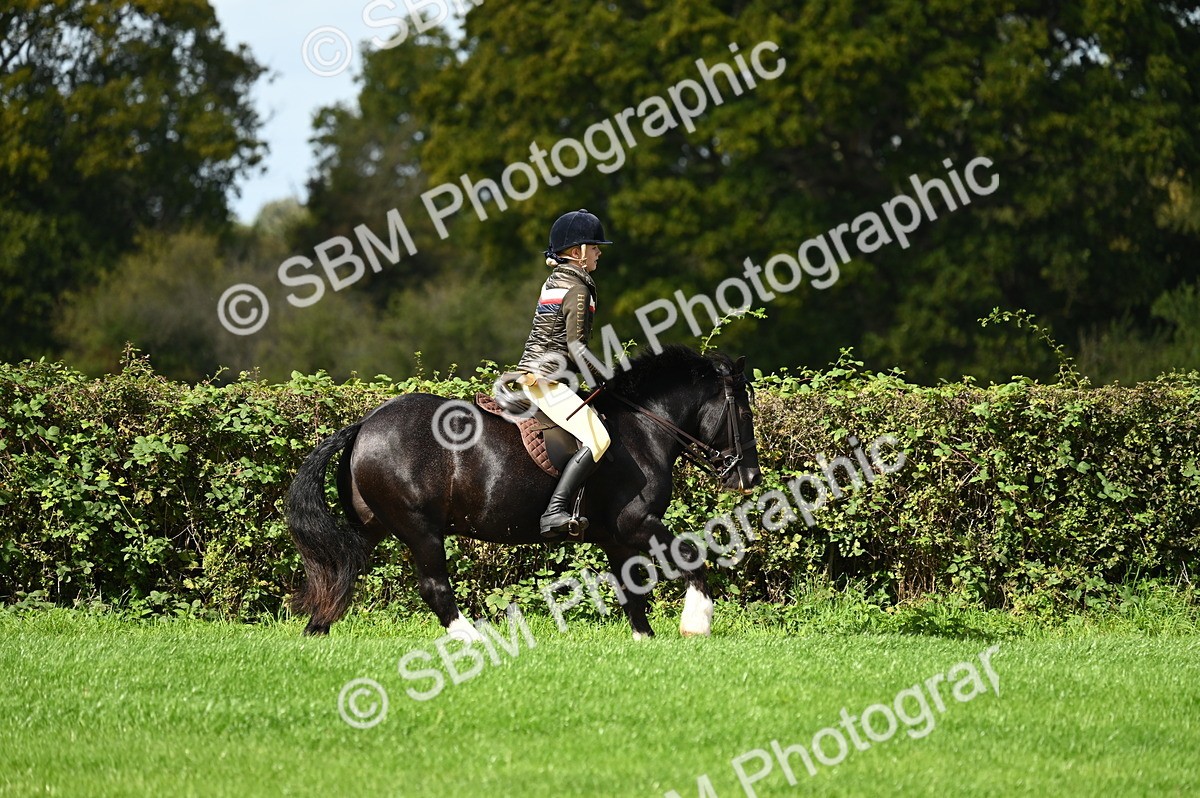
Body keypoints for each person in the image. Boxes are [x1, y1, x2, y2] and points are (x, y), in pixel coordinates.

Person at [515, 209, 613, 537]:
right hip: (546, 380)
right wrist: (605, 379)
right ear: (577, 253)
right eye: (594, 247)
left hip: (532, 373)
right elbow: (576, 346)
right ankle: (554, 511)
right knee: (599, 439)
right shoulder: (578, 287)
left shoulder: (557, 280)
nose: (599, 251)